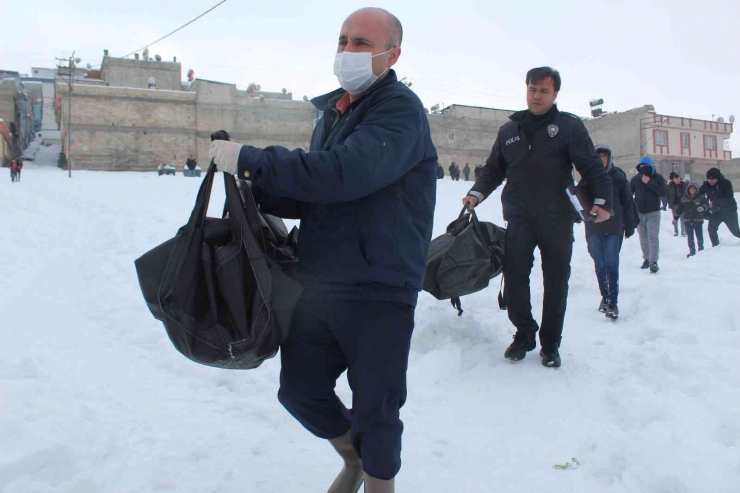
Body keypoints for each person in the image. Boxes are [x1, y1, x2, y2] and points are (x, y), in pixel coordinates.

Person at [208, 8, 436, 492]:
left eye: (361, 43)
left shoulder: (399, 110)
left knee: (377, 406)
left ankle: (378, 484)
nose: (347, 51)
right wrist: (246, 182)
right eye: (343, 40)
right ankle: (352, 459)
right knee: (300, 391)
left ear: (392, 54)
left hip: (380, 286)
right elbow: (317, 191)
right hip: (320, 282)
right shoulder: (336, 111)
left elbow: (343, 173)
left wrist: (253, 160)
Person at [462, 66, 613, 368]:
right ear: (526, 89)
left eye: (544, 90)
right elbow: (494, 169)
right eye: (533, 89)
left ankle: (551, 345)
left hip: (556, 218)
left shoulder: (568, 127)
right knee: (515, 277)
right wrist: (476, 194)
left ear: (555, 94)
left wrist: (602, 200)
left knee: (556, 282)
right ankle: (524, 334)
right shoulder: (509, 130)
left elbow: (591, 166)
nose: (537, 95)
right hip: (519, 216)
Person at [581, 145, 637, 320]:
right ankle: (605, 296)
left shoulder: (618, 177)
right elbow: (580, 201)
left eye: (605, 157)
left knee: (611, 263)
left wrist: (629, 224)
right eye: (598, 157)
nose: (601, 160)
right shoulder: (587, 178)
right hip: (594, 227)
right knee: (600, 264)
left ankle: (613, 302)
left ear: (610, 159)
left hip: (614, 226)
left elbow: (628, 202)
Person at [630, 156, 666, 274]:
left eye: (646, 167)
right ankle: (646, 258)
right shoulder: (635, 179)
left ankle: (653, 262)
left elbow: (663, 192)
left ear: (651, 167)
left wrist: (649, 182)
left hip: (653, 212)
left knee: (653, 237)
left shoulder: (658, 178)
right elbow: (629, 194)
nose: (643, 169)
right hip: (639, 212)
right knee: (643, 238)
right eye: (641, 167)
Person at [699, 168, 740, 246]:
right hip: (715, 212)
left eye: (713, 179)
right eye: (709, 179)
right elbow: (699, 192)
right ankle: (716, 246)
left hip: (729, 212)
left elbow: (729, 198)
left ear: (717, 178)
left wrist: (714, 202)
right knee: (711, 229)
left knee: (736, 232)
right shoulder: (706, 185)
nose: (710, 181)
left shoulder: (726, 183)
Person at [675, 182, 709, 257]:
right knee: (690, 237)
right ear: (688, 190)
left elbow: (707, 205)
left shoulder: (701, 198)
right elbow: (680, 209)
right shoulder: (684, 199)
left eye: (694, 189)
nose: (692, 190)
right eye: (691, 189)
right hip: (687, 220)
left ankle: (701, 250)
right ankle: (692, 251)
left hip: (698, 220)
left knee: (699, 236)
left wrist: (703, 208)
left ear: (696, 190)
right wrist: (676, 217)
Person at [666, 172, 687, 237]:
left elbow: (686, 193)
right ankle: (676, 231)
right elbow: (667, 195)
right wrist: (669, 203)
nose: (678, 180)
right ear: (673, 180)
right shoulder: (670, 186)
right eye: (676, 179)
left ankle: (683, 231)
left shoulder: (683, 185)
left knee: (682, 218)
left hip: (682, 203)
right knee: (675, 218)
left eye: (679, 179)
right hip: (674, 203)